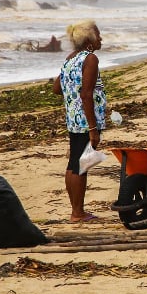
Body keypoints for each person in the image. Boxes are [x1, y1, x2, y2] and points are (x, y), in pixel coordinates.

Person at [52, 20, 105, 222]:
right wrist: (93, 128)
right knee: (81, 165)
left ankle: (76, 210)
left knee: (74, 163)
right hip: (85, 120)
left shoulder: (71, 58)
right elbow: (87, 94)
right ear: (90, 40)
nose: (101, 39)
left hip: (73, 118)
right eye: (98, 35)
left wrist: (71, 89)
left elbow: (57, 88)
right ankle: (78, 212)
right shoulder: (90, 59)